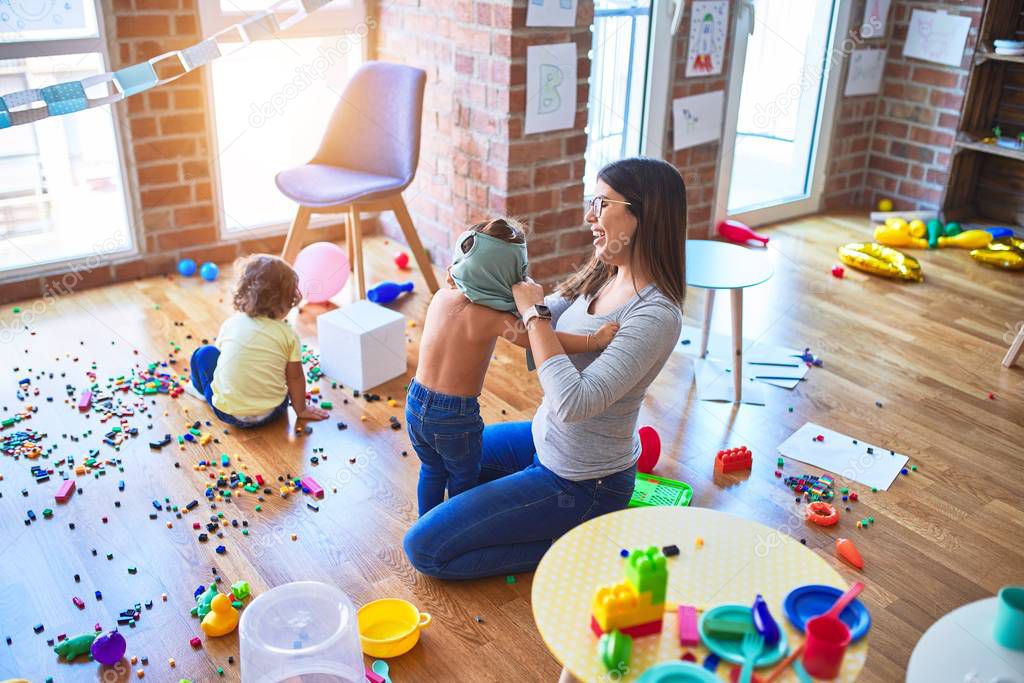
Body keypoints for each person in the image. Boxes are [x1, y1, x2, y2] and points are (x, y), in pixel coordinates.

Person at [403, 157, 687, 578]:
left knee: (425, 550)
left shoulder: (655, 315)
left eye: (602, 203)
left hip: (585, 483)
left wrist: (533, 317)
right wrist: (479, 272)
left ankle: (576, 541)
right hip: (542, 442)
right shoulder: (605, 273)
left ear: (642, 214)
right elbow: (528, 314)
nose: (590, 215)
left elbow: (574, 401)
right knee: (450, 461)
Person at [408, 217, 618, 516]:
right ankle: (454, 524)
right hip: (454, 419)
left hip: (416, 405)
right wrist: (592, 341)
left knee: (431, 469)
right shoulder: (493, 319)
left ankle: (425, 522)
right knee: (463, 476)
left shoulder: (441, 297)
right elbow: (542, 339)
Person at [189, 254, 329, 428]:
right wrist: (301, 410)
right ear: (286, 302)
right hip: (273, 412)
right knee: (284, 366)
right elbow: (295, 377)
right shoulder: (288, 334)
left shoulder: (231, 324)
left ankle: (199, 390)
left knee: (204, 354)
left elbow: (220, 366)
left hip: (230, 414)